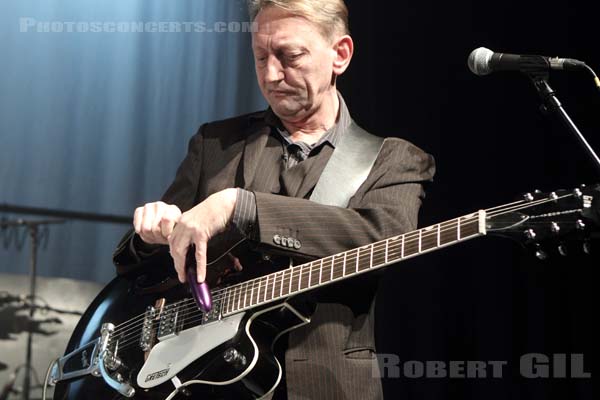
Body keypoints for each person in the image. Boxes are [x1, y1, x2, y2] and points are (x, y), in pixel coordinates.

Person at [113, 0, 435, 398]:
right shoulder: (215, 143)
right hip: (209, 384)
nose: (270, 74)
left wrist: (241, 206)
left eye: (289, 56)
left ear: (340, 54)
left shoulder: (394, 159)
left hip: (327, 385)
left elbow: (386, 237)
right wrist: (150, 235)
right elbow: (139, 271)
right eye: (260, 56)